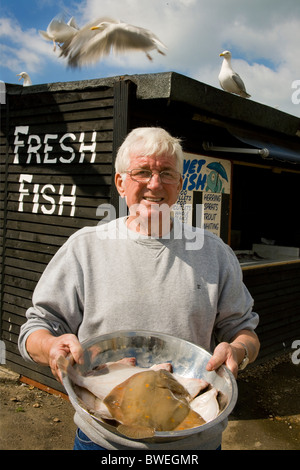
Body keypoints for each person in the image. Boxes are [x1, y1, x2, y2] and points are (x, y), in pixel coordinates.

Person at [18, 127, 260, 450]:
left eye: (166, 173)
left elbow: (246, 332)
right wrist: (50, 346)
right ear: (121, 183)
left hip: (192, 443)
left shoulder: (214, 253)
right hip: (103, 441)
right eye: (142, 172)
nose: (155, 184)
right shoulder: (85, 249)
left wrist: (239, 351)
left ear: (180, 185)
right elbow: (35, 329)